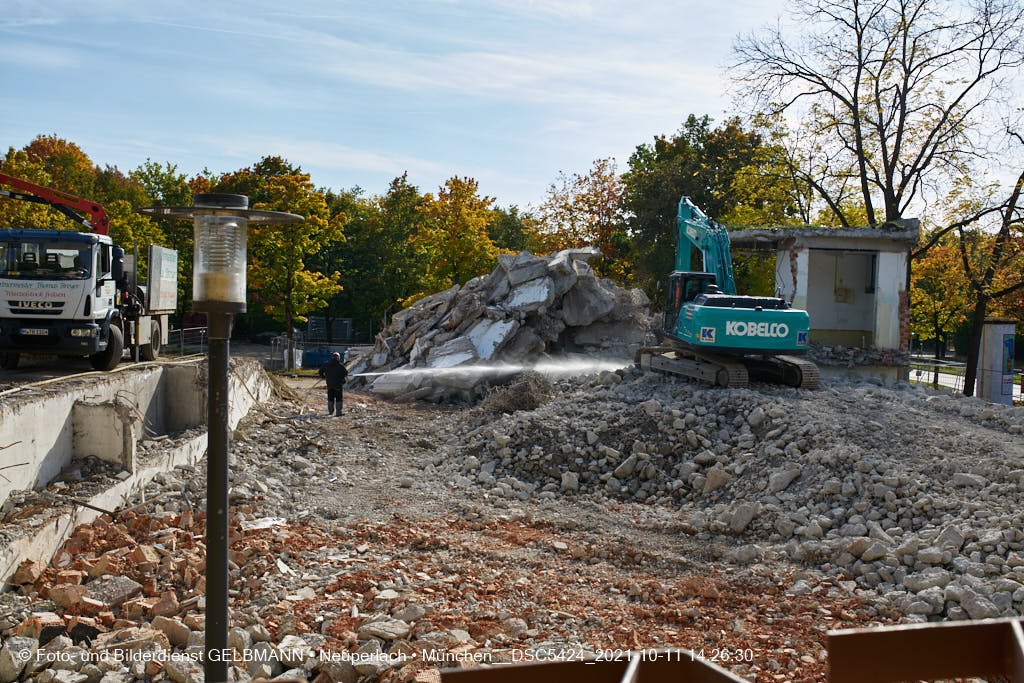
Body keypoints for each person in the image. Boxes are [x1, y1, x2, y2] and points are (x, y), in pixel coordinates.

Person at [318, 352, 349, 416]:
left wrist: (323, 376)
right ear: (338, 358)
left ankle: (330, 412)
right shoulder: (340, 366)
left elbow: (320, 371)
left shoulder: (326, 364)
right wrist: (344, 382)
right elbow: (345, 374)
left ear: (332, 357)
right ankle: (338, 412)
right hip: (338, 385)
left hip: (329, 385)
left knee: (330, 398)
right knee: (339, 399)